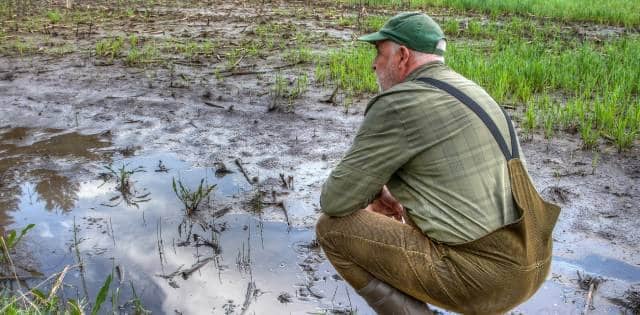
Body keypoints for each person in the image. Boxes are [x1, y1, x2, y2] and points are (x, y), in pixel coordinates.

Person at [315, 12, 560, 315]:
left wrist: (371, 194)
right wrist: (395, 198)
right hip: (535, 262)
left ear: (402, 56)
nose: (374, 64)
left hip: (487, 280)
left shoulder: (400, 103)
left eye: (379, 53)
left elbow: (335, 200)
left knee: (332, 229)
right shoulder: (471, 91)